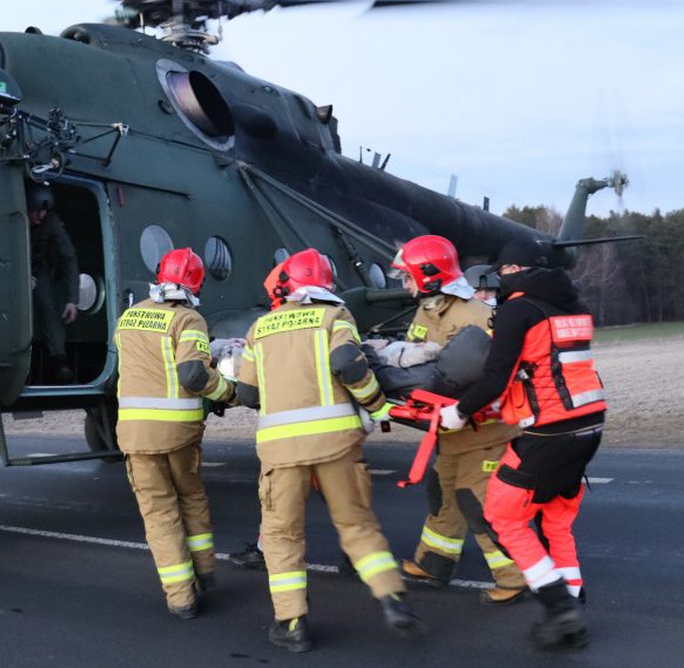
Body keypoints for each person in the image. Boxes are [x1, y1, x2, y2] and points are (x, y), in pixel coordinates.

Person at [235, 248, 416, 653]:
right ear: (326, 284)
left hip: (281, 452)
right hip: (338, 445)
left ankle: (292, 623)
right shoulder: (335, 317)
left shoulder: (259, 329)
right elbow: (351, 366)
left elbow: (246, 393)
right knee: (356, 526)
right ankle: (392, 598)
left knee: (282, 536)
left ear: (289, 285)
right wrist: (376, 404)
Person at [440, 238, 607, 650]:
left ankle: (558, 609)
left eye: (502, 274)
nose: (498, 282)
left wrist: (459, 412)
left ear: (515, 271)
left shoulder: (519, 311)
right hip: (589, 425)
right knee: (555, 519)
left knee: (504, 514)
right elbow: (545, 366)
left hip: (550, 431)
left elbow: (497, 376)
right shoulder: (574, 307)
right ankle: (571, 607)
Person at [388, 235, 528, 606]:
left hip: (485, 430)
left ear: (429, 276)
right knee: (443, 492)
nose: (403, 285)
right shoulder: (426, 311)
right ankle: (435, 561)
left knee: (477, 502)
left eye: (407, 277)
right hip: (449, 431)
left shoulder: (476, 317)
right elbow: (422, 362)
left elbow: (491, 376)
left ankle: (515, 575)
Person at [113, 248, 236, 621]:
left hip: (136, 436)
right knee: (192, 497)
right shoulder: (189, 319)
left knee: (159, 515)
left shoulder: (128, 317)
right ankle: (206, 572)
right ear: (195, 283)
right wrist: (228, 392)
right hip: (180, 434)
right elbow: (193, 376)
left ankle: (181, 599)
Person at [27, 182, 79, 383]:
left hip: (38, 269)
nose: (41, 216)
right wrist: (20, 279)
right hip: (11, 269)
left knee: (48, 305)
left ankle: (59, 360)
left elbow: (69, 256)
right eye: (37, 210)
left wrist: (72, 299)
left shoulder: (51, 221)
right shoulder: (11, 216)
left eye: (44, 212)